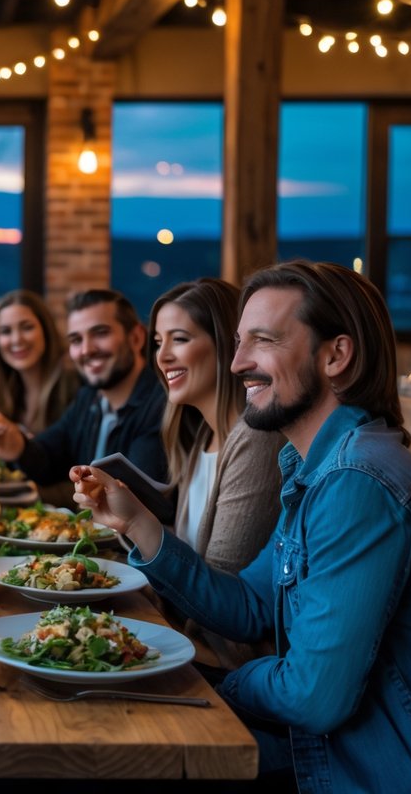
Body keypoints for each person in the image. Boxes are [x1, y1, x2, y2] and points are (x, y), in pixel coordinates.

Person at [73, 261, 411, 792]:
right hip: (316, 753)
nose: (237, 363)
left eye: (262, 341)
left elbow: (312, 695)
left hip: (356, 773)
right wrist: (136, 521)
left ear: (336, 355)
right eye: (239, 342)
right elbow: (249, 603)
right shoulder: (314, 466)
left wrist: (222, 681)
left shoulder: (357, 481)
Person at [148, 278, 284, 666]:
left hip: (221, 669)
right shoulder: (202, 439)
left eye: (179, 339)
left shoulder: (257, 439)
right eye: (158, 343)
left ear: (228, 344)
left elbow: (220, 599)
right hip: (184, 646)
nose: (163, 357)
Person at [0, 288, 169, 496]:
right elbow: (47, 458)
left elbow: (139, 499)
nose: (86, 350)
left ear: (136, 338)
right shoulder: (88, 399)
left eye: (100, 333)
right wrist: (18, 446)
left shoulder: (160, 406)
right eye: (76, 340)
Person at [0, 289, 81, 436]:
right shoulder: (9, 390)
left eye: (27, 327)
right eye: (6, 331)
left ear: (46, 330)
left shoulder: (74, 386)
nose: (16, 339)